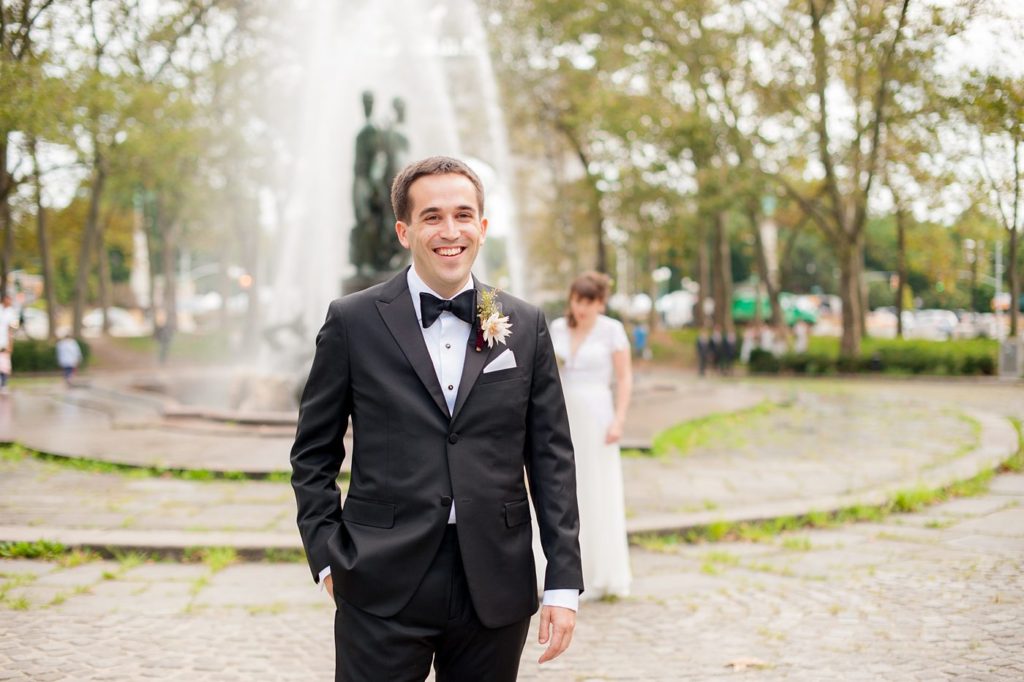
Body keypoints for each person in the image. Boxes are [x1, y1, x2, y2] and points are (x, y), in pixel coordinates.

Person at [291, 156, 583, 681]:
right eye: (431, 217)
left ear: (483, 226)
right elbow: (313, 454)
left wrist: (563, 581)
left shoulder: (525, 322)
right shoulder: (352, 320)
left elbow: (552, 459)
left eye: (463, 215)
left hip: (494, 581)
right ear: (404, 230)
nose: (450, 231)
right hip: (379, 578)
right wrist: (329, 557)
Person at [549, 272, 633, 599]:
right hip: (562, 414)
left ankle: (600, 573)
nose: (581, 308)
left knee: (597, 490)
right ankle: (557, 570)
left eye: (588, 301)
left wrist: (619, 420)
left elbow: (624, 379)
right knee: (563, 490)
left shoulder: (612, 331)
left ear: (600, 303)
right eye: (577, 300)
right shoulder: (557, 328)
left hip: (597, 415)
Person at [0, 296, 17, 392]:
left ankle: (4, 383)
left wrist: (10, 344)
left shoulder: (11, 312)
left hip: (5, 342)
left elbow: (11, 330)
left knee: (5, 364)